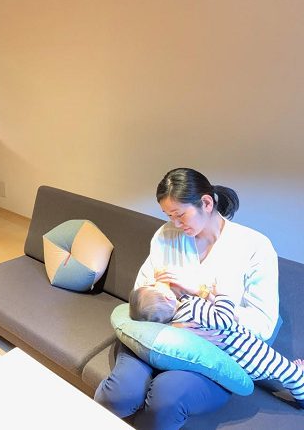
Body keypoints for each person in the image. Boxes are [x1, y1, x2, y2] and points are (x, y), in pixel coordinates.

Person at [94, 167, 279, 430]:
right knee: (120, 394)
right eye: (169, 216)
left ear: (206, 203)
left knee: (165, 401)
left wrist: (203, 293)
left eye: (180, 215)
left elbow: (263, 325)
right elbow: (141, 292)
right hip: (157, 333)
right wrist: (170, 318)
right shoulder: (166, 235)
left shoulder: (255, 247)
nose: (175, 224)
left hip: (214, 351)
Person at [129, 282, 304, 407]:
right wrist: (223, 296)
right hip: (247, 351)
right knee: (288, 372)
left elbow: (204, 313)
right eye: (154, 285)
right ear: (168, 297)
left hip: (239, 357)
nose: (156, 282)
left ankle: (290, 373)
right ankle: (301, 393)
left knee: (278, 368)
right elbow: (224, 319)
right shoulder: (191, 309)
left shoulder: (178, 321)